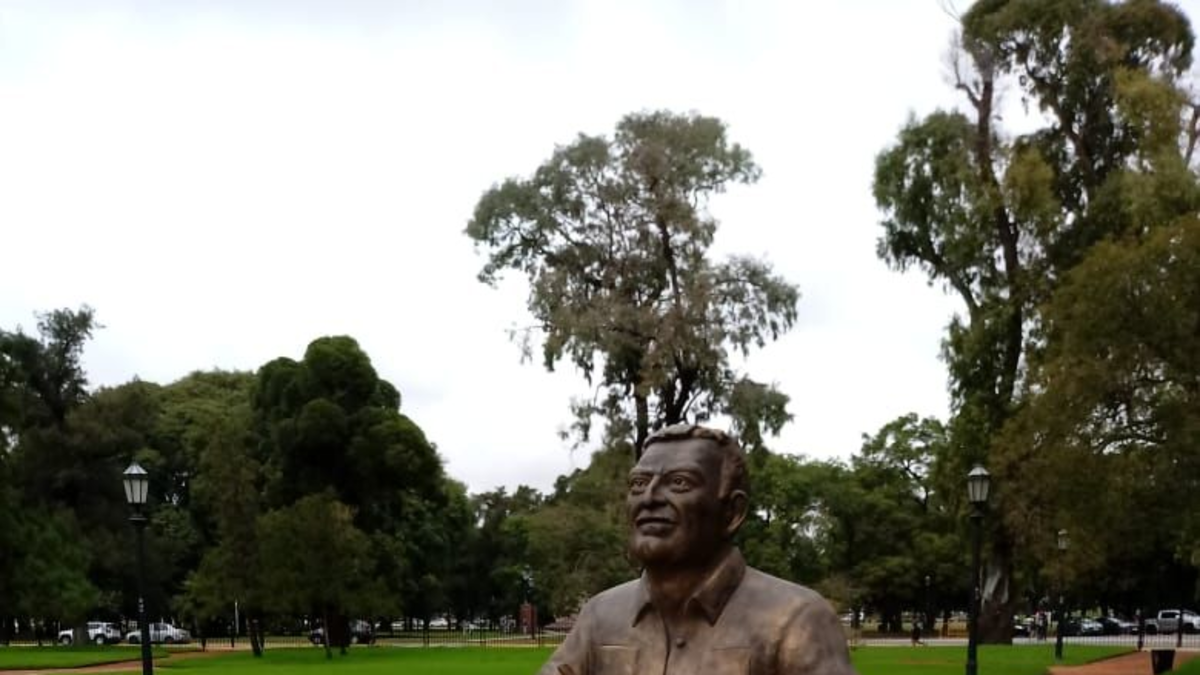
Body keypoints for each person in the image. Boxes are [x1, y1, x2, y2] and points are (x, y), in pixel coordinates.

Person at [538, 424, 856, 675]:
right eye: (638, 484)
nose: (649, 498)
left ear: (732, 512)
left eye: (679, 483)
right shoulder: (600, 615)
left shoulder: (794, 620)